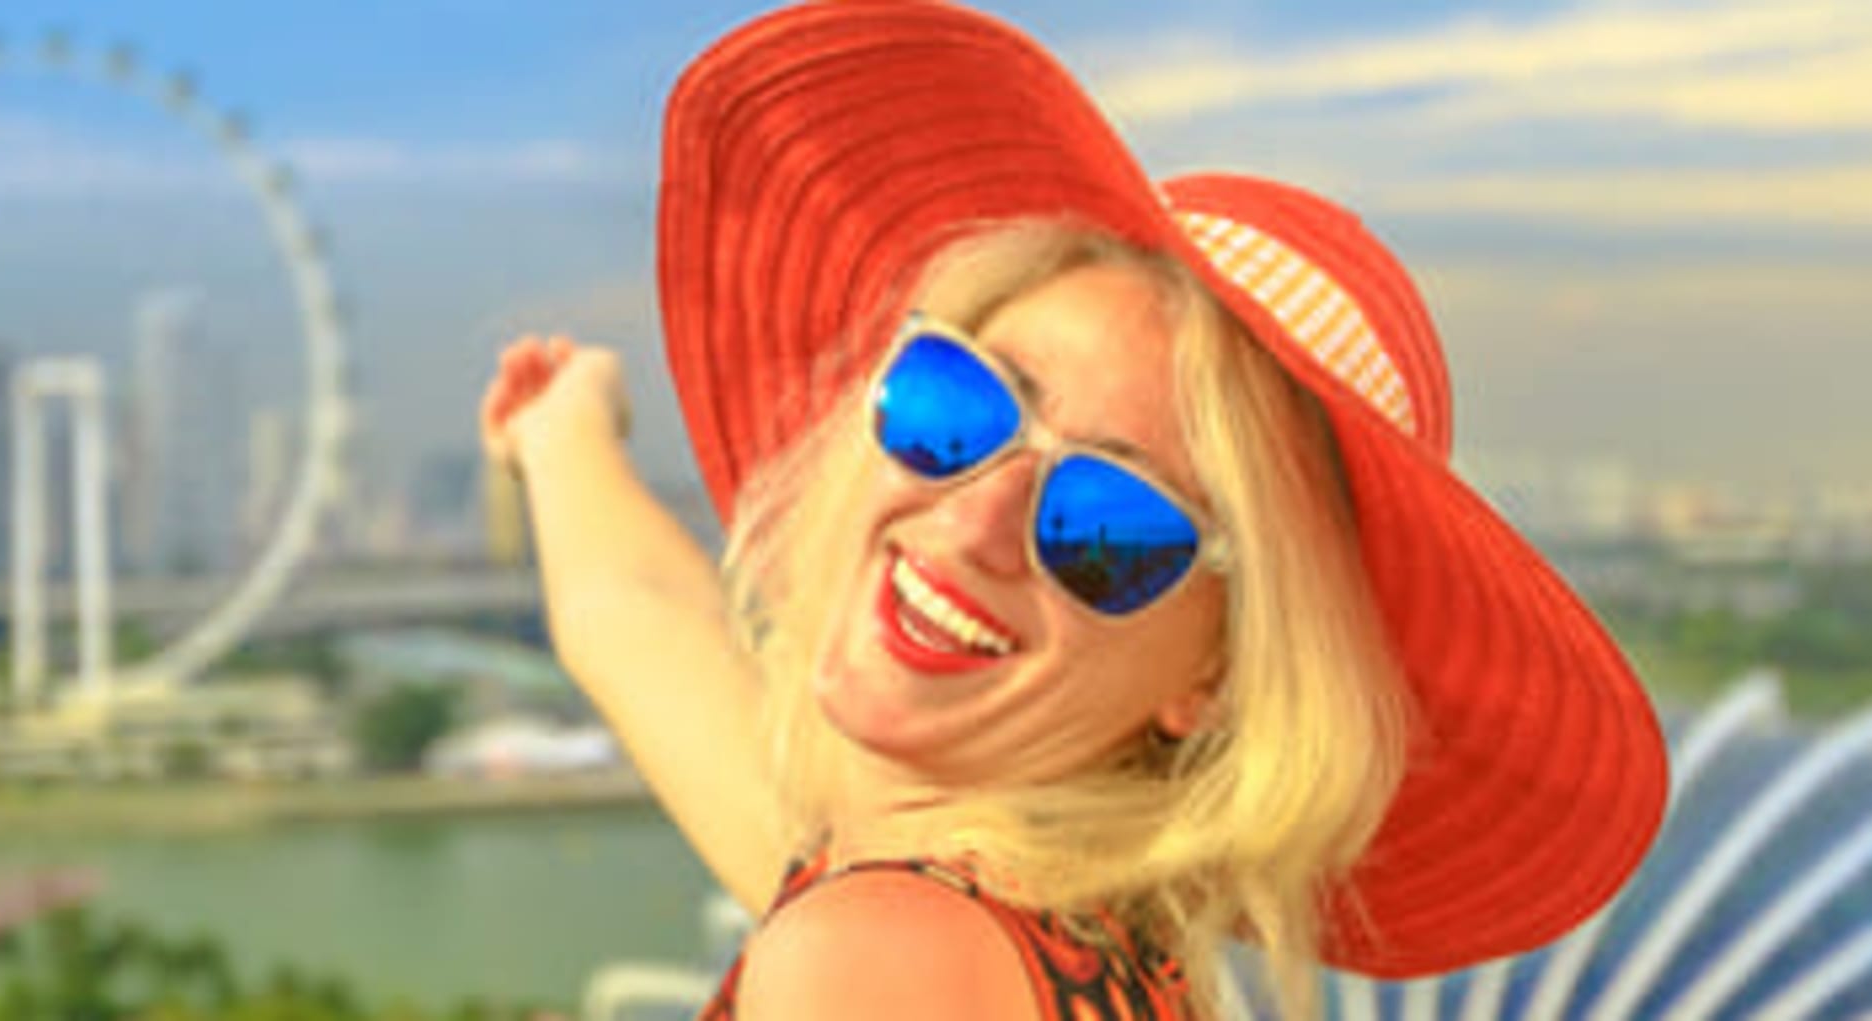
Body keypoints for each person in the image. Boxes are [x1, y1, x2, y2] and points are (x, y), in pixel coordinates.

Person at [478, 2, 1671, 1017]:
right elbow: (634, 620)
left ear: (1213, 673)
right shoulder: (1055, 930)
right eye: (964, 407)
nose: (975, 519)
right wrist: (563, 431)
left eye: (1107, 525)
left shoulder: (879, 959)